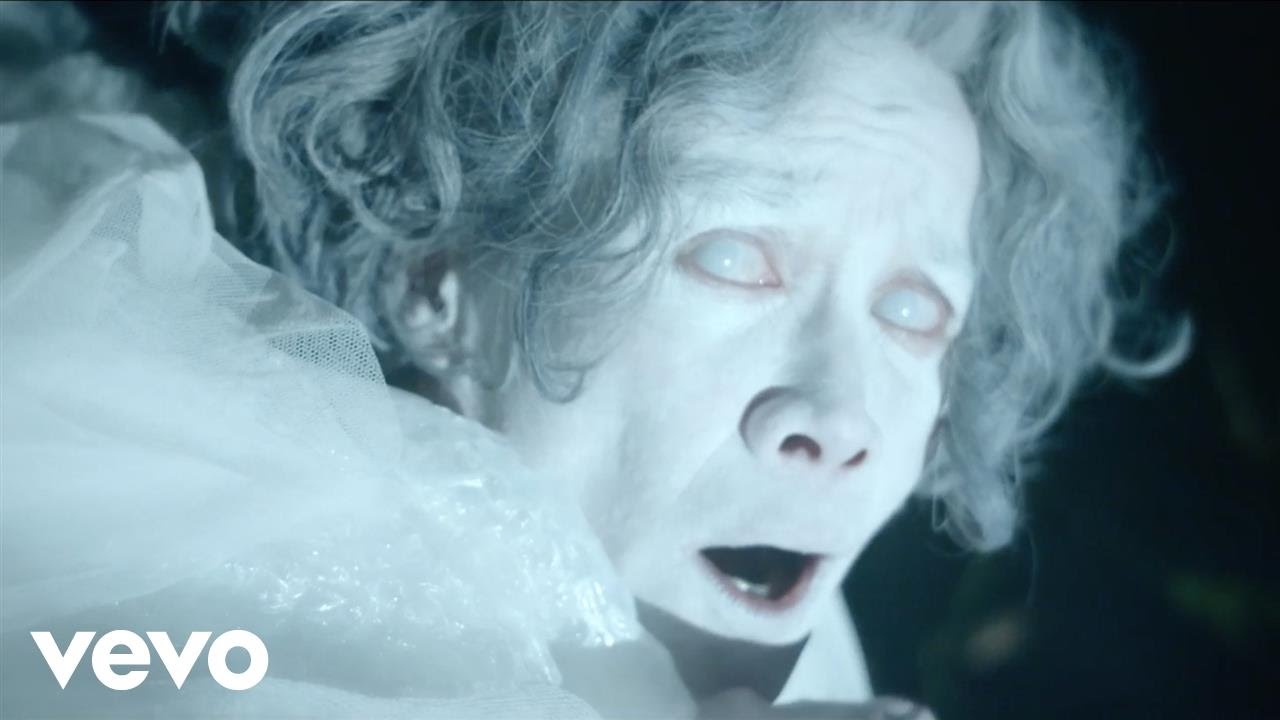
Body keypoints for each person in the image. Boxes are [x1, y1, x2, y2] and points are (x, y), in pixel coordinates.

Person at [0, 1, 1186, 717]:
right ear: (441, 289)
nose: (841, 418)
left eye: (914, 314)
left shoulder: (787, 641)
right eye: (733, 260)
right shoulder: (157, 568)